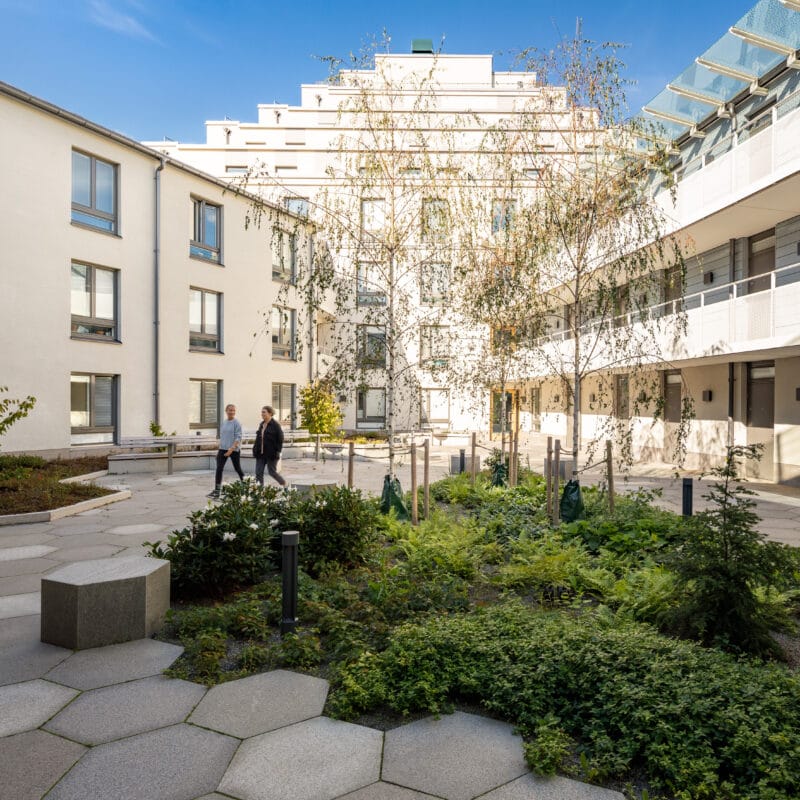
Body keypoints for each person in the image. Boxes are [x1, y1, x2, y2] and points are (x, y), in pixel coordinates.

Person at [207, 403, 244, 498]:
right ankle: (217, 490)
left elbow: (238, 437)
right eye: (230, 410)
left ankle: (247, 485)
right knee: (219, 469)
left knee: (237, 468)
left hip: (234, 450)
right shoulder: (224, 422)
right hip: (222, 449)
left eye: (233, 410)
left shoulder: (237, 423)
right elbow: (223, 437)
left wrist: (231, 449)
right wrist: (219, 451)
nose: (232, 412)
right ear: (226, 411)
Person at [253, 405, 287, 487]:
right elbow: (258, 438)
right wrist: (255, 449)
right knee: (258, 472)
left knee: (272, 472)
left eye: (264, 412)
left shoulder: (276, 425)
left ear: (270, 413)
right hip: (260, 453)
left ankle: (284, 484)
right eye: (262, 412)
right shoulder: (262, 424)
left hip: (271, 453)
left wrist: (278, 451)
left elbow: (280, 439)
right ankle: (259, 490)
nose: (262, 414)